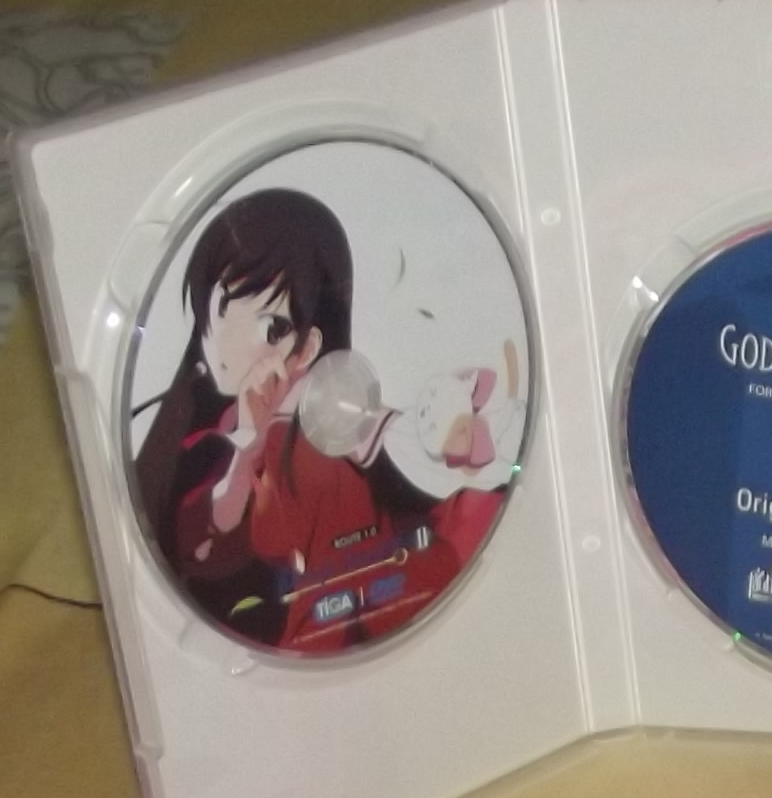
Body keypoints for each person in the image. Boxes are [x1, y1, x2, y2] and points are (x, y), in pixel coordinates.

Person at [125, 187, 504, 654]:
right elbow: (202, 546)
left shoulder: (329, 431)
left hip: (393, 606)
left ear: (307, 347)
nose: (228, 340)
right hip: (291, 641)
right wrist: (247, 452)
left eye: (271, 327)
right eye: (221, 306)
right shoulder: (209, 440)